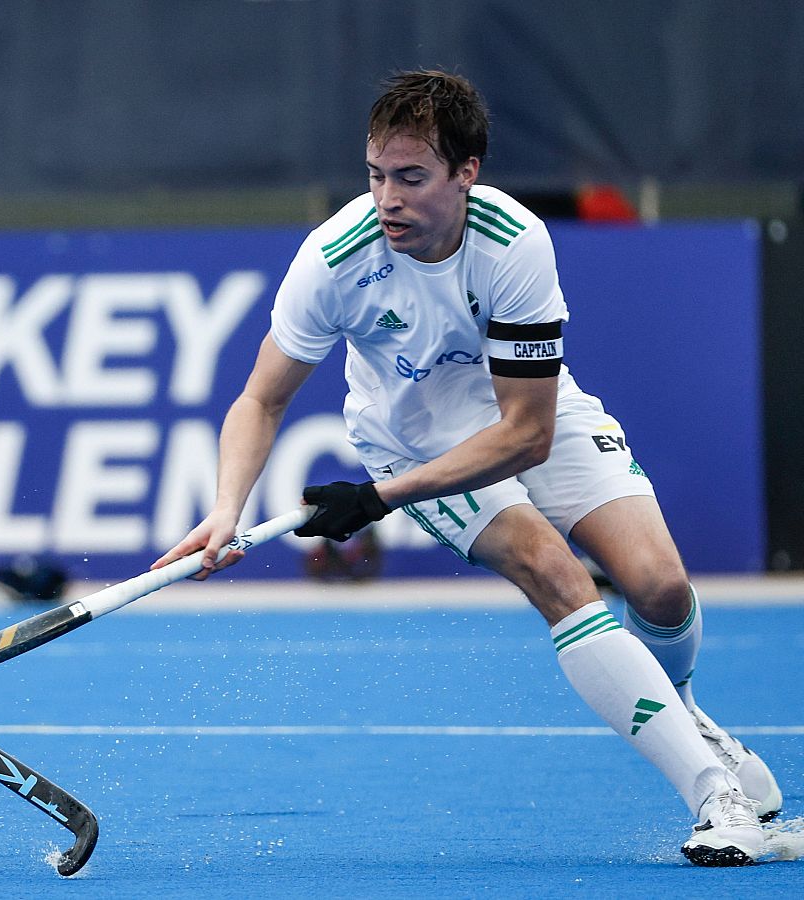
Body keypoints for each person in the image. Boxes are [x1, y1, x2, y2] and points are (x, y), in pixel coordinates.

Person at [155, 70, 781, 867]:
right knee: (554, 573)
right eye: (377, 175)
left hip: (525, 413)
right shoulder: (335, 258)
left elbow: (525, 434)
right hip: (409, 442)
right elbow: (259, 399)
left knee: (660, 587)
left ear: (466, 173)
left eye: (412, 178)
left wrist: (379, 500)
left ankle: (686, 712)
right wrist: (224, 507)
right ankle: (713, 794)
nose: (389, 199)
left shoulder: (514, 244)